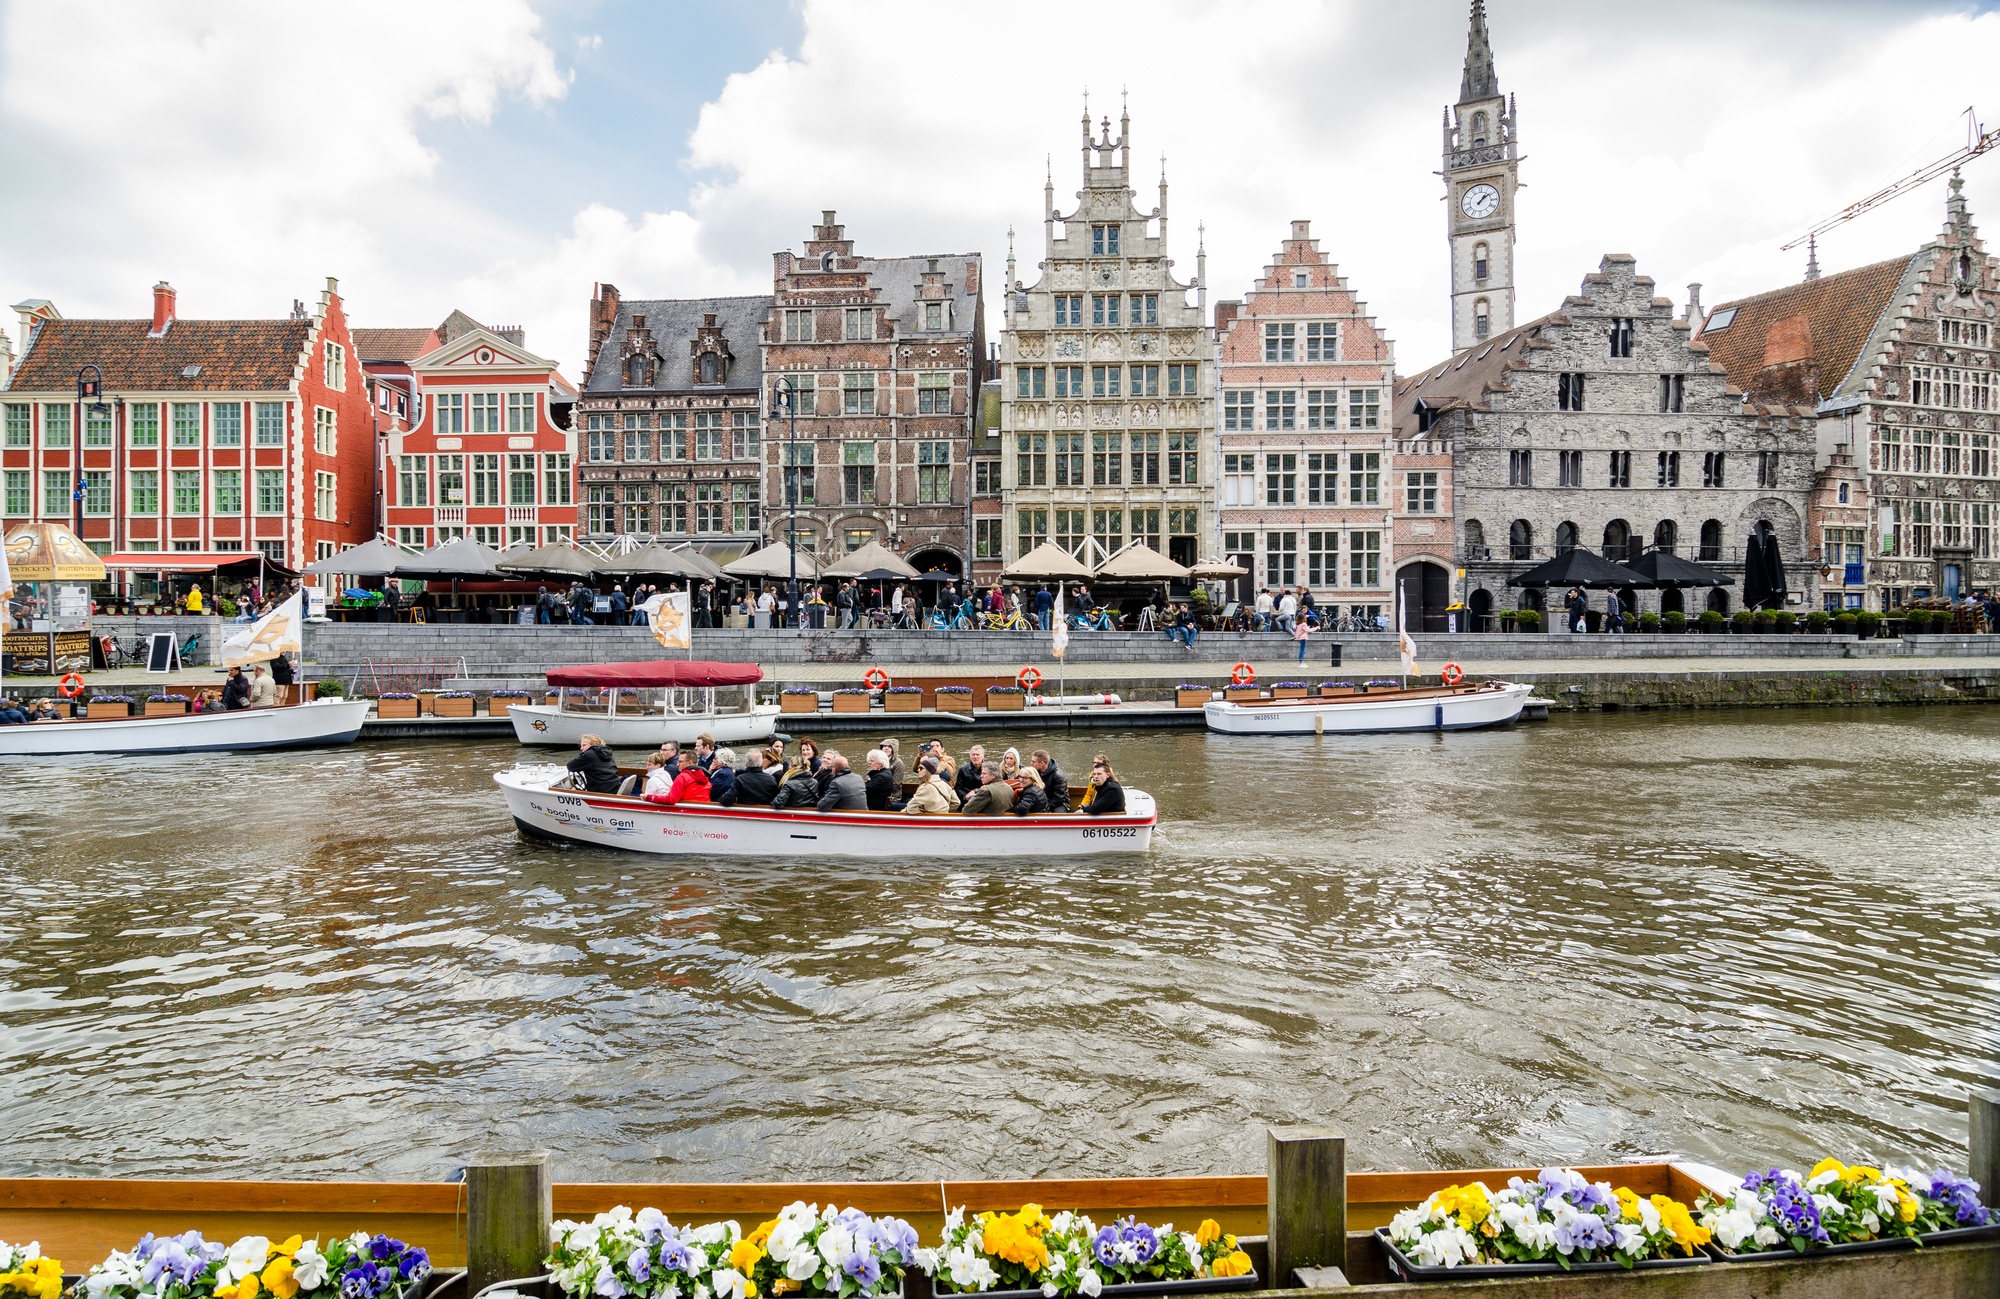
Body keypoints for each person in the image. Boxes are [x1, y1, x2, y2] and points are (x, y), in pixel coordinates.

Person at [648, 750, 713, 805]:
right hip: (703, 810)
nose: (677, 764)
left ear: (690, 762)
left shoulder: (682, 777)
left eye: (680, 761)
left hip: (686, 811)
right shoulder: (705, 776)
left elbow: (671, 800)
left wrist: (649, 797)